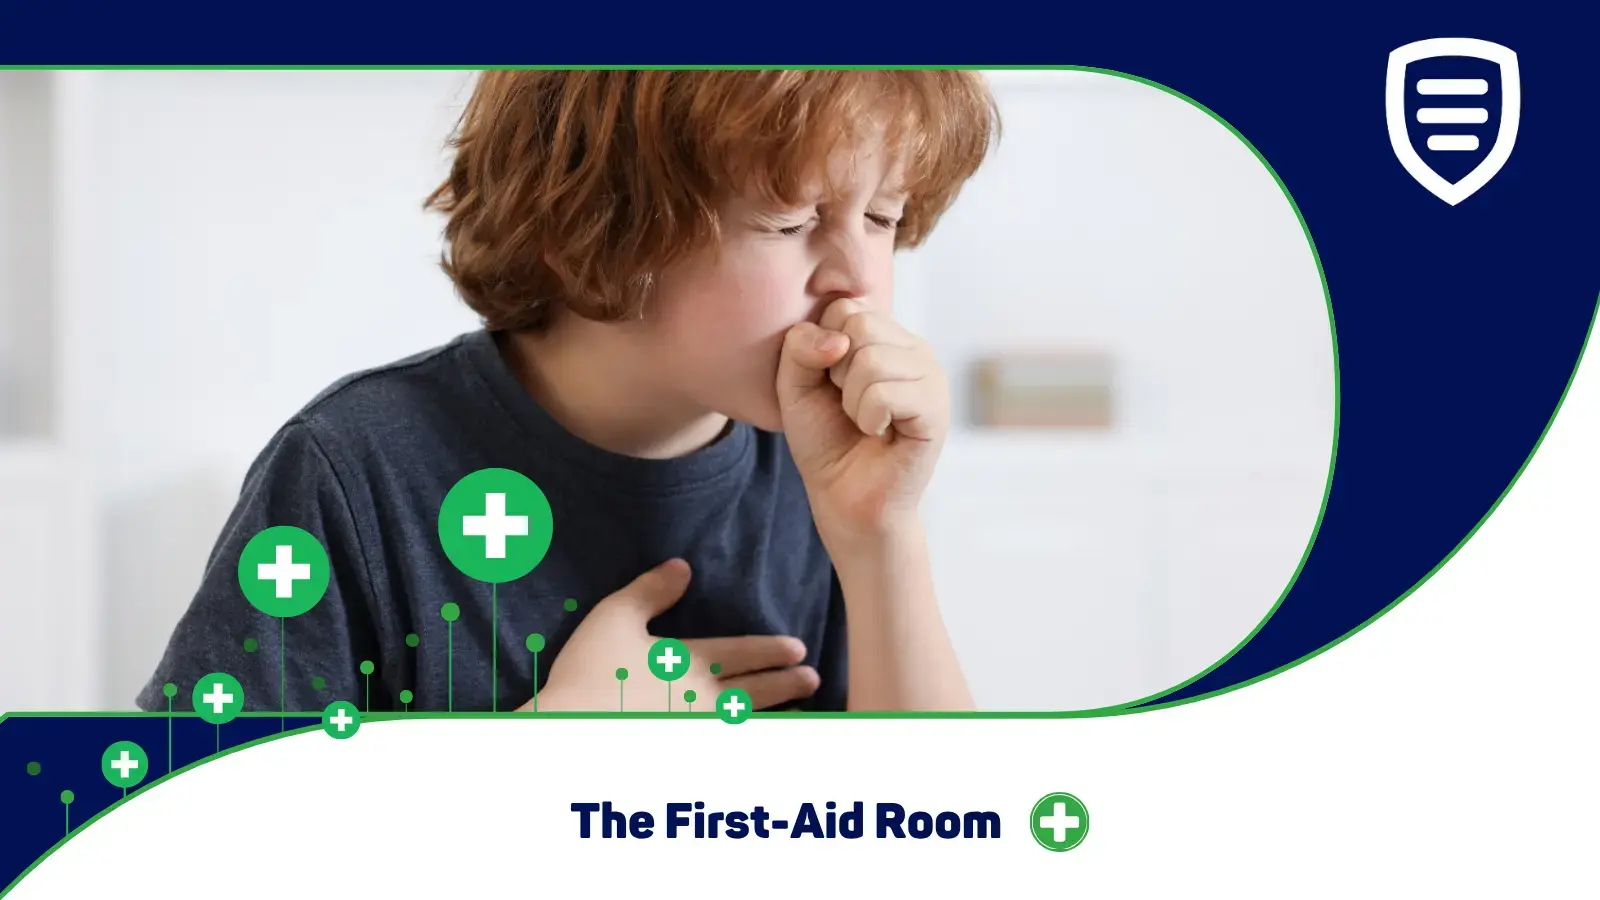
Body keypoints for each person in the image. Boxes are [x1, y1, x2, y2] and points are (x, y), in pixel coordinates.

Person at [136, 70, 999, 715]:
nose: (857, 281)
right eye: (789, 222)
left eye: (882, 218)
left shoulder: (830, 472)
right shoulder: (354, 471)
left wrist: (882, 538)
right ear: (590, 233)